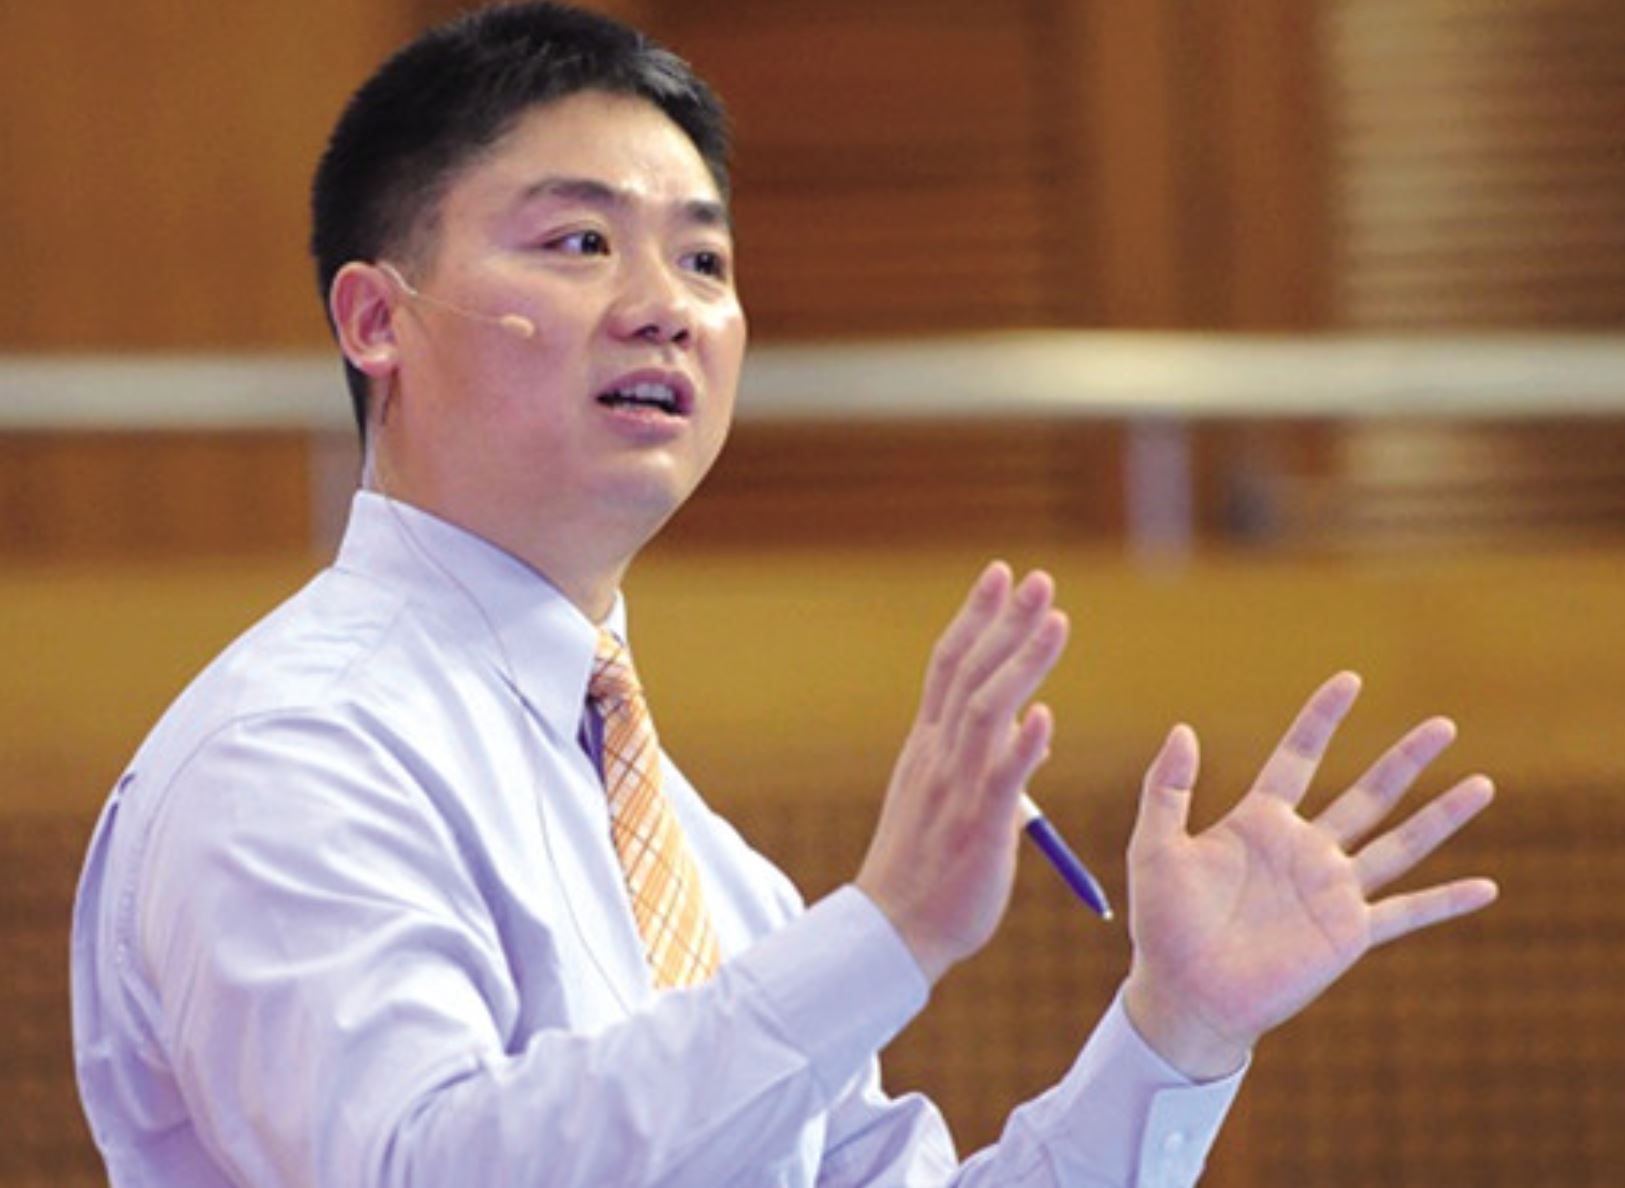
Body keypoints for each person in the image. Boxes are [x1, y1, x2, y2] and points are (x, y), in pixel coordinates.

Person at [69, 4, 1498, 1185]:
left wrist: (1172, 1038)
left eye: (704, 259)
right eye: (580, 243)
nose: (665, 306)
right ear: (378, 318)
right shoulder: (295, 752)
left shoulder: (706, 864)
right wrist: (887, 934)